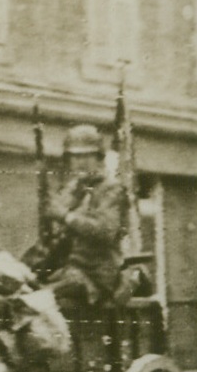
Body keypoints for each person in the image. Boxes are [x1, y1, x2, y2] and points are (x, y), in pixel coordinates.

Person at [34, 124, 131, 306]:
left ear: (99, 157)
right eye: (75, 156)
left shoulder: (111, 189)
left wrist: (65, 216)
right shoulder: (70, 190)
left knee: (41, 299)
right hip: (69, 270)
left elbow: (105, 230)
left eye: (88, 155)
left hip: (97, 275)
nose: (81, 162)